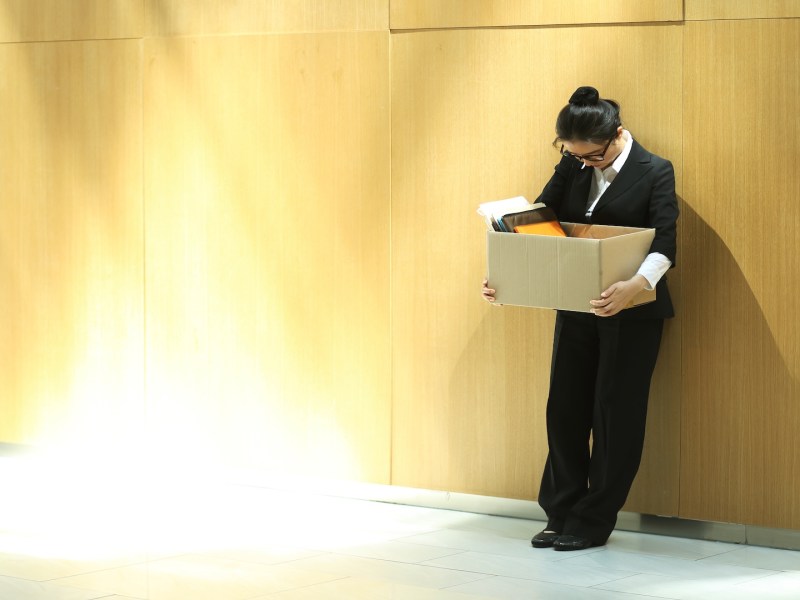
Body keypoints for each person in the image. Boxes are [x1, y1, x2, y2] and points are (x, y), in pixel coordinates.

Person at [481, 86, 678, 551]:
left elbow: (665, 242)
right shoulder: (573, 164)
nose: (584, 163)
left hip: (630, 310)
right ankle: (561, 512)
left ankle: (592, 521)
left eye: (593, 156)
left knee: (615, 412)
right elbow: (537, 221)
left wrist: (636, 286)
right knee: (565, 409)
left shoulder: (655, 170)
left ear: (617, 135)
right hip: (574, 302)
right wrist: (506, 274)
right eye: (575, 155)